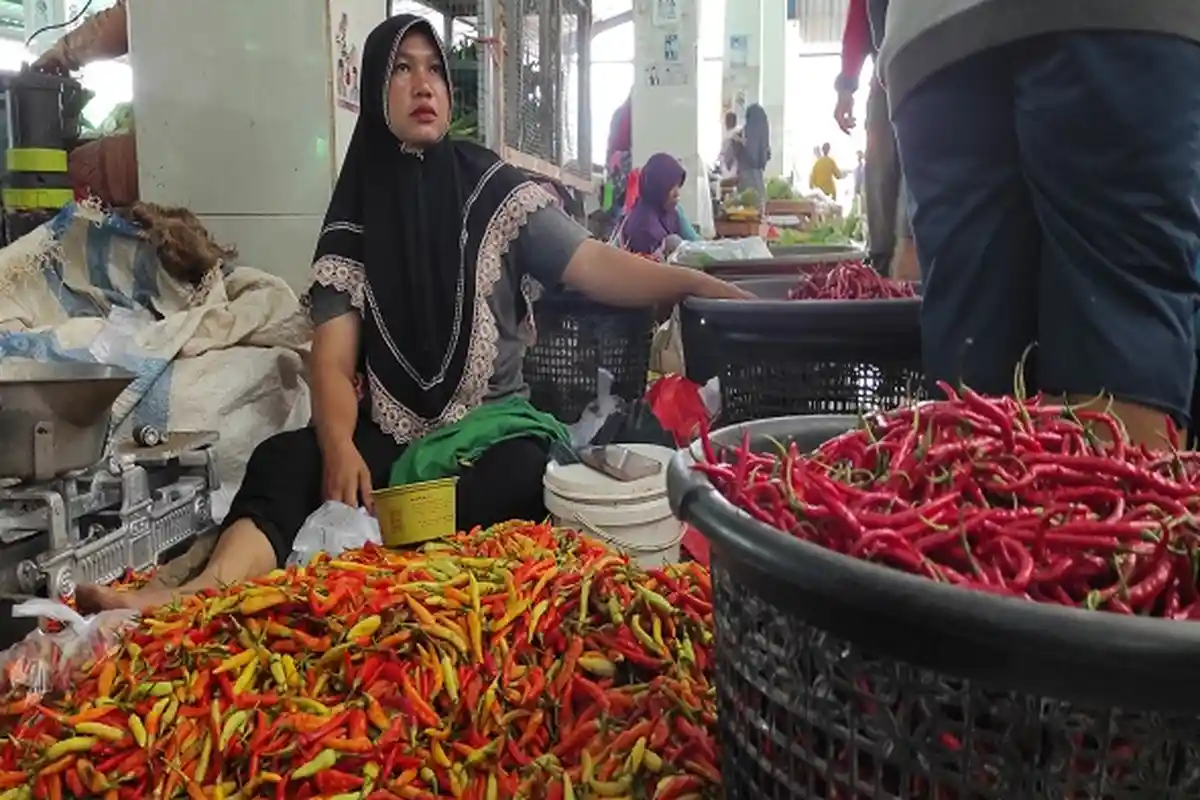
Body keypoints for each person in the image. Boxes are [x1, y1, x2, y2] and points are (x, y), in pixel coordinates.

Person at [78, 15, 748, 612]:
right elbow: (334, 363)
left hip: (491, 428)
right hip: (393, 434)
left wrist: (690, 282)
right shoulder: (354, 217)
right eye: (402, 68)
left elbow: (596, 265)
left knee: (519, 477)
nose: (423, 84)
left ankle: (377, 556)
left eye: (434, 70)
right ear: (376, 91)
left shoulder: (492, 190)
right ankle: (195, 597)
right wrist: (339, 447)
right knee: (284, 460)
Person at [881, 0, 1200, 447]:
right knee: (1115, 320)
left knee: (974, 386)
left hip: (930, 36)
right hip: (1119, 22)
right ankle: (1115, 511)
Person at [614, 153, 694, 258]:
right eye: (671, 187)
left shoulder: (669, 214)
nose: (677, 193)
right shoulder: (642, 225)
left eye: (678, 186)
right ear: (658, 187)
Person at [735, 104, 770, 203]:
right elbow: (765, 156)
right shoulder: (763, 131)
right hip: (759, 179)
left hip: (746, 178)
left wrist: (740, 143)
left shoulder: (747, 130)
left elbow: (751, 154)